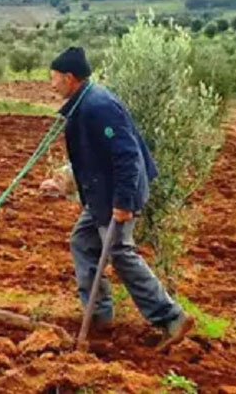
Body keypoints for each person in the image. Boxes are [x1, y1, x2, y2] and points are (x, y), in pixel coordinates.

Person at [40, 46, 194, 351]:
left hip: (116, 195)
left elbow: (126, 155)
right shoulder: (83, 104)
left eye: (54, 78)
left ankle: (171, 317)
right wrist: (63, 184)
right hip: (101, 196)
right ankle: (99, 316)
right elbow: (92, 159)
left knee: (121, 253)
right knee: (83, 242)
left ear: (70, 78)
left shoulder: (99, 106)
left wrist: (123, 203)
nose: (52, 84)